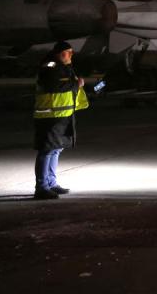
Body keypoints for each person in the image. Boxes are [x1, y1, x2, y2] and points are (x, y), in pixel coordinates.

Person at [33, 41, 89, 200]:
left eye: (71, 52)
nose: (70, 55)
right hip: (49, 117)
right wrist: (75, 84)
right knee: (47, 150)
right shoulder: (49, 66)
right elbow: (53, 85)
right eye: (66, 52)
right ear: (57, 53)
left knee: (56, 149)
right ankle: (41, 187)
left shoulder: (64, 67)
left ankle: (51, 183)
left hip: (61, 116)